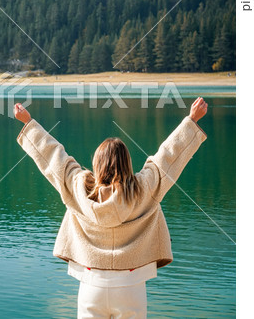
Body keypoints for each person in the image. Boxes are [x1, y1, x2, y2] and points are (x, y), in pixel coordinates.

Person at [14, 97, 208, 318]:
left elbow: (54, 157)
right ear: (127, 162)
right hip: (131, 285)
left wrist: (28, 123)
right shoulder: (144, 188)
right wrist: (191, 120)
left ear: (97, 163)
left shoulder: (79, 187)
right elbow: (168, 156)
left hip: (91, 283)